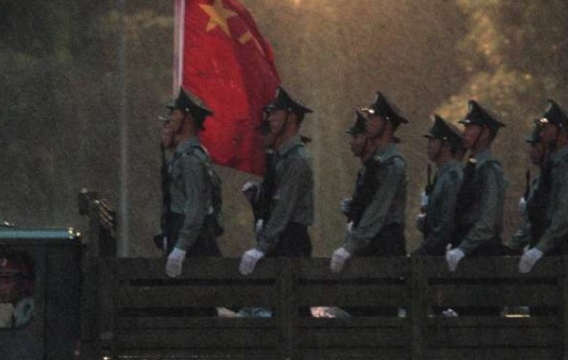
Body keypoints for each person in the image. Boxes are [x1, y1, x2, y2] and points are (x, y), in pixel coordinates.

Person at [239, 87, 314, 275]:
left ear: (291, 118)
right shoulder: (281, 157)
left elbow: (284, 208)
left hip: (290, 240)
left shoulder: (296, 158)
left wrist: (262, 247)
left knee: (289, 299)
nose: (270, 118)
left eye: (275, 113)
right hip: (279, 237)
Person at [331, 92, 409, 272]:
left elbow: (378, 210)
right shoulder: (375, 161)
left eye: (374, 118)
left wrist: (350, 246)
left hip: (386, 245)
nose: (368, 121)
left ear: (387, 124)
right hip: (369, 242)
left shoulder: (392, 163)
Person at [517, 100, 568, 273]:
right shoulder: (552, 163)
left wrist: (541, 248)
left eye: (547, 128)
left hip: (561, 249)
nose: (542, 133)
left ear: (561, 131)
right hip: (547, 246)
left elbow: (563, 213)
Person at [159, 87, 221, 278]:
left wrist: (181, 247)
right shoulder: (184, 156)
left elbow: (195, 206)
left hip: (193, 246)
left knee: (193, 300)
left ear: (188, 119)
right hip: (186, 237)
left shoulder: (192, 158)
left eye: (175, 113)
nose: (169, 119)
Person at [446, 100, 507, 271]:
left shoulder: (489, 168)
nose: (465, 132)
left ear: (485, 133)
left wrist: (462, 249)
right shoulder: (473, 165)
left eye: (471, 128)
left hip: (483, 254)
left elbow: (487, 222)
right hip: (469, 249)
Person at [413, 114, 465, 256]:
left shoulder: (452, 177)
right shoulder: (443, 174)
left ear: (446, 145)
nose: (428, 145)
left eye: (433, 140)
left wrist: (424, 251)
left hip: (445, 256)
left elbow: (446, 224)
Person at [506, 124, 549, 255]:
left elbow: (541, 223)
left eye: (535, 146)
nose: (531, 151)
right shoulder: (539, 179)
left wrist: (515, 244)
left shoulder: (550, 179)